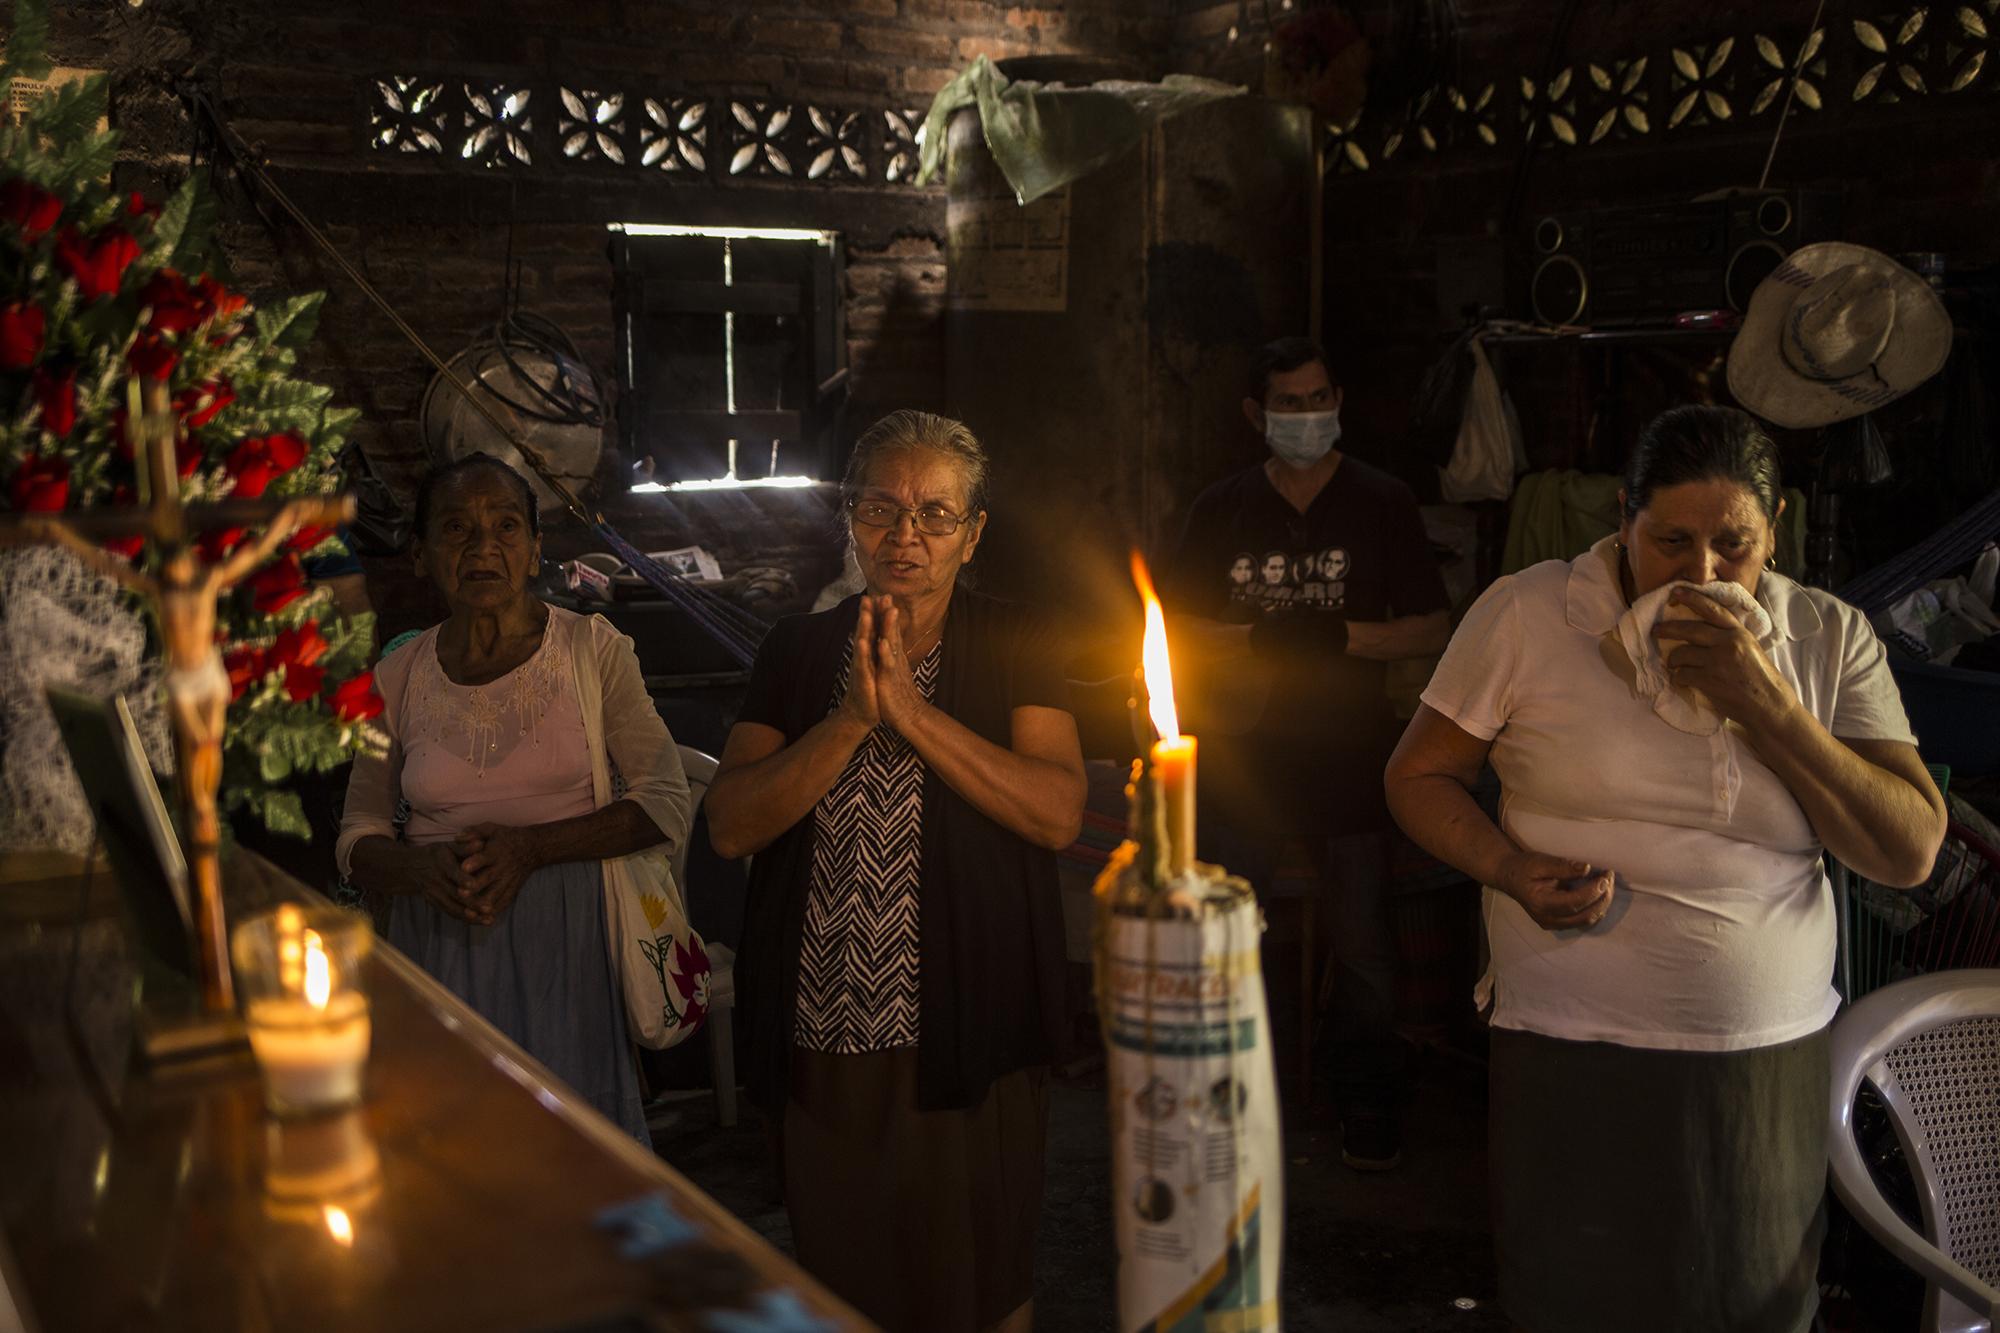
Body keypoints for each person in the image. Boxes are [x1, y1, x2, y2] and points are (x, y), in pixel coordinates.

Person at [1385, 405, 1946, 1333]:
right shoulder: (1528, 612)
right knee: (1575, 1293)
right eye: (1670, 540)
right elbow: (1418, 775)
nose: (1702, 574)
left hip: (1759, 1059)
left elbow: (1908, 849)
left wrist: (1765, 705)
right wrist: (1508, 866)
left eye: (1736, 545)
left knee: (1746, 1300)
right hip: (1567, 1039)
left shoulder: (1827, 637)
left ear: (1778, 533)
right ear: (1622, 518)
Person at [706, 409, 1085, 1333]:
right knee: (847, 1282)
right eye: (881, 508)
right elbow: (730, 825)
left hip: (971, 1021)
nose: (905, 535)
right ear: (849, 517)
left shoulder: (1018, 641)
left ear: (973, 532)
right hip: (821, 1022)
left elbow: (1056, 810)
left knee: (978, 1280)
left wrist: (913, 716)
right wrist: (848, 720)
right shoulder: (798, 651)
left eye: (935, 514)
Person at [337, 453, 690, 1145]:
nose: (483, 547)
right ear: (421, 554)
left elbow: (665, 799)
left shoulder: (593, 651)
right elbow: (357, 834)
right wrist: (418, 870)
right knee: (458, 1159)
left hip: (571, 950)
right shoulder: (398, 674)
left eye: (504, 526)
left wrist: (532, 849)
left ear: (533, 551)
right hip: (438, 943)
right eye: (456, 529)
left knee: (575, 1157)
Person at [1161, 335, 1450, 1170]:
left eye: (1318, 397)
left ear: (1339, 401)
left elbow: (1433, 627)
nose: (1306, 414)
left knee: (1360, 942)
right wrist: (1256, 637)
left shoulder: (1382, 500)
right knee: (1229, 934)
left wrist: (1339, 637)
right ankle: (1227, 1102)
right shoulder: (1220, 507)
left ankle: (1363, 1098)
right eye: (1288, 402)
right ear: (1258, 414)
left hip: (1350, 750)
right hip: (1245, 752)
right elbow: (1173, 626)